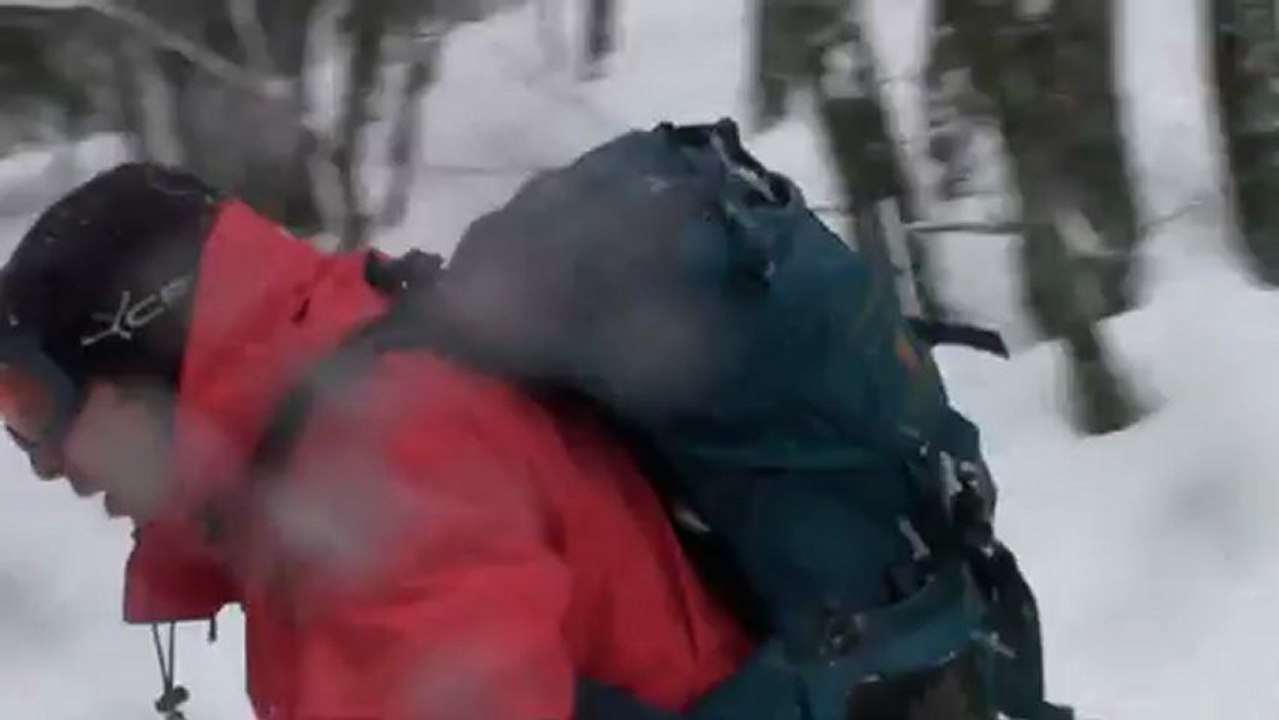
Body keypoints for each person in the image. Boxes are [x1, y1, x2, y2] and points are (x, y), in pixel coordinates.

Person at [0, 162, 753, 719]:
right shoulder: (295, 461)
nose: (45, 461)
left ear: (142, 353)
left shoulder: (385, 462)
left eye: (37, 407)